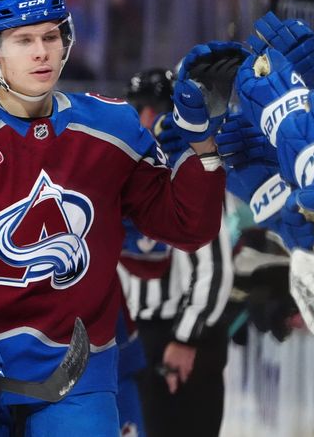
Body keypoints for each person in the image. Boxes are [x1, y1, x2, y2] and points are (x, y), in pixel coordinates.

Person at [0, 0, 228, 435]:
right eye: (22, 40)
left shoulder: (113, 127)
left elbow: (185, 226)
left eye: (50, 36)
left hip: (76, 375)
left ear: (66, 42)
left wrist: (203, 146)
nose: (40, 51)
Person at [119, 68, 234, 437]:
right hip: (141, 337)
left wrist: (186, 338)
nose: (145, 119)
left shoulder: (195, 167)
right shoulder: (128, 170)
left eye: (153, 108)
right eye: (138, 108)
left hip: (186, 335)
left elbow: (214, 266)